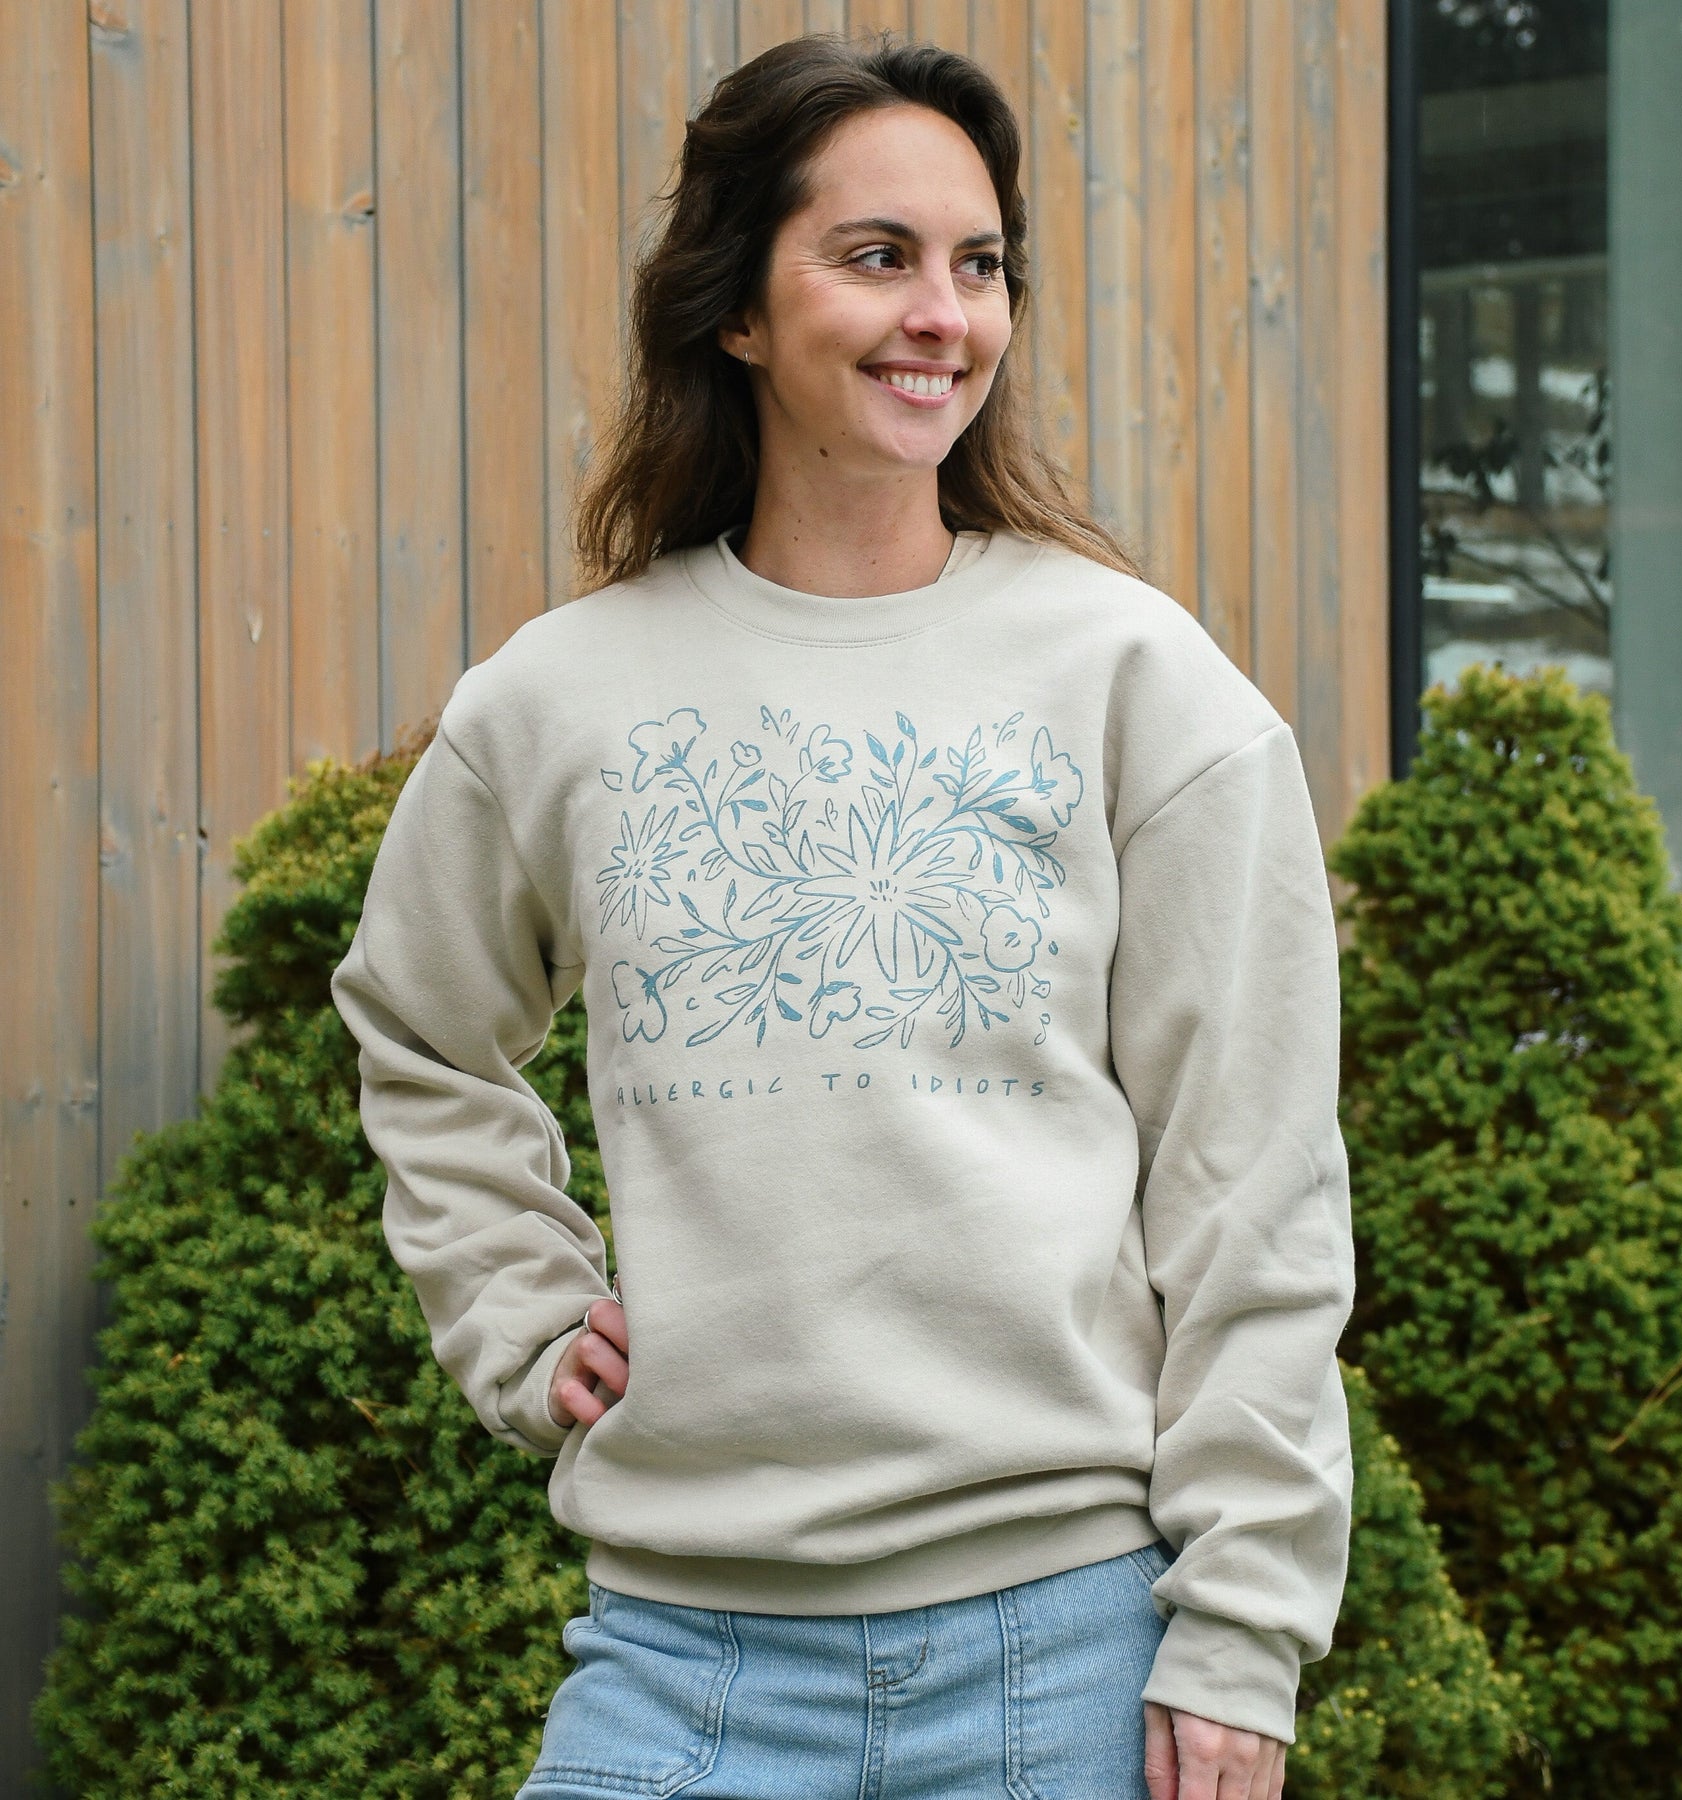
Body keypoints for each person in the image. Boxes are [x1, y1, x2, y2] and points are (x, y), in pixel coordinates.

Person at [330, 31, 1354, 1800]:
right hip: (678, 1660)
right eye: (877, 257)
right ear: (737, 307)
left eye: (980, 265)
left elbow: (1253, 1181)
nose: (942, 315)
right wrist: (519, 1306)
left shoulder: (1139, 683)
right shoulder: (558, 701)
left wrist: (1246, 1627)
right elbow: (419, 1031)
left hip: (1069, 1653)